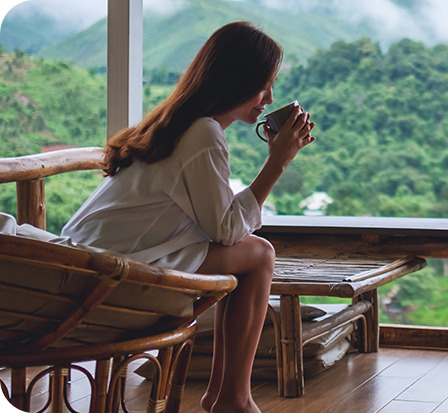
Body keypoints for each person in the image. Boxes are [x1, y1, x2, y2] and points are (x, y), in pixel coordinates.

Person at [61, 21, 315, 413]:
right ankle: (232, 398)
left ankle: (226, 395)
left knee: (253, 252)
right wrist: (277, 162)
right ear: (237, 80)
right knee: (260, 254)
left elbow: (217, 223)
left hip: (93, 260)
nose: (269, 97)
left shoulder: (177, 122)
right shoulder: (204, 134)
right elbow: (227, 230)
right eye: (264, 84)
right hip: (116, 274)